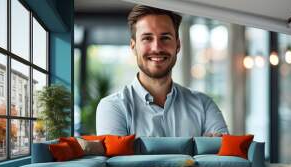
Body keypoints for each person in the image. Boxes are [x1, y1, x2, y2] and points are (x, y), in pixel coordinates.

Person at [96, 5, 228, 137]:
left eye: (165, 38)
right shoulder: (113, 107)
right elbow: (116, 157)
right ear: (133, 46)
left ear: (178, 45)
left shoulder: (204, 105)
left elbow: (225, 153)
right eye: (147, 38)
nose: (157, 47)